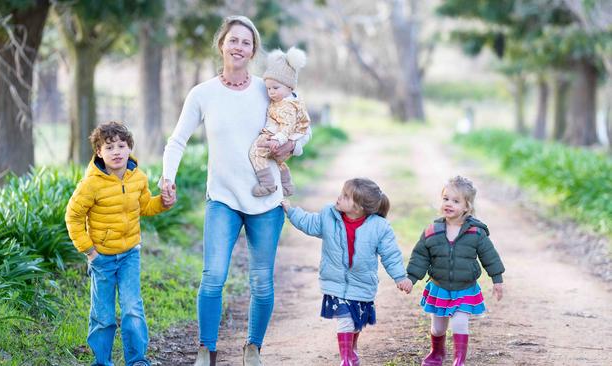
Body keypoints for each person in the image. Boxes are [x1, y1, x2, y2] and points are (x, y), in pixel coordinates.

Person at [159, 15, 311, 366]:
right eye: (233, 40)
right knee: (213, 277)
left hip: (267, 201)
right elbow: (177, 140)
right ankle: (205, 349)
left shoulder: (269, 87)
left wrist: (294, 147)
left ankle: (253, 348)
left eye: (246, 42)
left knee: (261, 282)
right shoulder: (203, 93)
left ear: (253, 50)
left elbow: (303, 125)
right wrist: (168, 177)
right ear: (221, 45)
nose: (238, 47)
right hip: (223, 198)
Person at [65, 121, 173, 366]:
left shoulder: (138, 178)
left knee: (132, 308)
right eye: (109, 146)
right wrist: (89, 251)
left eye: (121, 145)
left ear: (129, 148)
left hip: (129, 255)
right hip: (101, 258)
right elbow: (73, 216)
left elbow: (145, 206)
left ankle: (137, 360)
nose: (116, 151)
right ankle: (102, 362)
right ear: (99, 152)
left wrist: (165, 203)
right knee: (103, 316)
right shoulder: (91, 184)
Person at [282, 178, 413, 366]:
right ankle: (346, 360)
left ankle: (351, 351)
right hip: (336, 283)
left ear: (359, 207)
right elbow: (309, 223)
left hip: (362, 284)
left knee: (356, 322)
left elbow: (390, 254)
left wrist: (400, 277)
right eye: (341, 193)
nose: (339, 197)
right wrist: (291, 211)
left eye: (345, 196)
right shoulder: (329, 216)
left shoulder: (379, 227)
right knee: (345, 320)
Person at [406, 176, 505, 366]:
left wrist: (497, 280)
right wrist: (411, 278)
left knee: (460, 322)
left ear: (467, 207)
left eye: (455, 201)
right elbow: (420, 256)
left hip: (465, 287)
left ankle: (459, 359)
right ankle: (437, 352)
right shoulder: (432, 230)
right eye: (446, 199)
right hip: (440, 287)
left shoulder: (476, 233)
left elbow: (490, 257)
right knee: (438, 328)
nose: (449, 204)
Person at [249, 46, 310, 197]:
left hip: (279, 139)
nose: (271, 92)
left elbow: (288, 126)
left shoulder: (287, 105)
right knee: (278, 161)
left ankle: (267, 184)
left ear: (290, 87)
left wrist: (277, 139)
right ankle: (287, 185)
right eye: (268, 88)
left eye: (275, 88)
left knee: (256, 152)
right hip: (278, 139)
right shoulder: (285, 100)